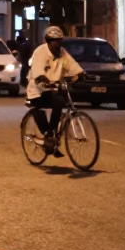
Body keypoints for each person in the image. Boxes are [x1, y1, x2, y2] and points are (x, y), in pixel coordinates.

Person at [27, 26, 83, 155]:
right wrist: (42, 78)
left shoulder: (62, 53)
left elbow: (71, 64)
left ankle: (53, 132)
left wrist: (80, 73)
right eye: (54, 40)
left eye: (59, 40)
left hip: (53, 88)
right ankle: (49, 133)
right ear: (48, 41)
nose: (57, 43)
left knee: (61, 101)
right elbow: (37, 69)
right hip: (38, 90)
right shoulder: (41, 51)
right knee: (53, 103)